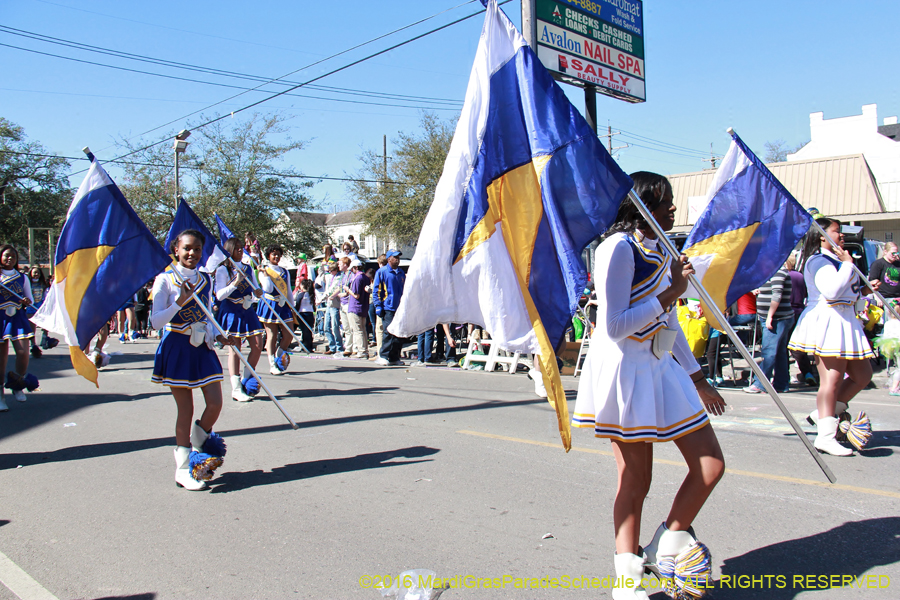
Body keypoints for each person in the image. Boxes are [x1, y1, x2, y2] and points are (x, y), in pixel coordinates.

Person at [571, 172, 725, 599]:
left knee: (710, 465)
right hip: (626, 371)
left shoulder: (662, 248)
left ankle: (665, 544)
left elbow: (671, 322)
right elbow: (615, 325)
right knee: (635, 481)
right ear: (641, 203)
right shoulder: (616, 248)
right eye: (665, 200)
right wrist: (672, 290)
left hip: (662, 368)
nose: (673, 207)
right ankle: (627, 582)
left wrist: (698, 378)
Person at [788, 217, 879, 457]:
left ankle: (823, 414)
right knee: (832, 380)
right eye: (836, 231)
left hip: (846, 321)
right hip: (829, 322)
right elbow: (831, 292)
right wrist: (848, 264)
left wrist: (867, 289)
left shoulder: (835, 260)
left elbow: (846, 294)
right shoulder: (818, 260)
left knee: (863, 375)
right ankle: (826, 436)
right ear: (821, 235)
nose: (841, 236)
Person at [150, 229, 230, 491]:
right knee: (186, 410)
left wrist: (219, 335)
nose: (192, 253)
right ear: (176, 249)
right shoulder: (165, 279)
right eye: (186, 248)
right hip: (177, 345)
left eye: (196, 249)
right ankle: (183, 467)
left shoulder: (205, 280)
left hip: (202, 345)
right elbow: (155, 321)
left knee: (216, 404)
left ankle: (198, 441)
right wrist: (180, 303)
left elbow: (207, 314)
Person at [215, 237, 265, 402]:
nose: (239, 251)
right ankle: (236, 388)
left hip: (247, 308)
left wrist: (258, 292)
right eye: (236, 248)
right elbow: (220, 295)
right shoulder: (223, 270)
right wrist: (235, 283)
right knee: (235, 349)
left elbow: (256, 287)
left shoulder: (247, 268)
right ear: (229, 250)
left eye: (240, 248)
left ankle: (247, 378)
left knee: (258, 344)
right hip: (231, 310)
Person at [744, 261, 794, 394]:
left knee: (769, 352)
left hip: (777, 318)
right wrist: (755, 289)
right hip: (774, 318)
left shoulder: (778, 272)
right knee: (779, 353)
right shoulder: (769, 273)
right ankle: (781, 384)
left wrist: (770, 316)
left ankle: (761, 383)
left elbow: (777, 295)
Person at [0, 246, 38, 411]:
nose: (10, 259)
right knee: (1, 360)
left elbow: (29, 298)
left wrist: (26, 301)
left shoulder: (22, 278)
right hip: (1, 317)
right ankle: (0, 394)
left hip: (17, 317)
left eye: (13, 257)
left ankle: (17, 383)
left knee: (23, 352)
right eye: (7, 256)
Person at [256, 245, 294, 375]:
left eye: (278, 254)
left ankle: (279, 354)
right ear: (268, 256)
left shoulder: (284, 271)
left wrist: (292, 305)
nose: (276, 257)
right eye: (273, 254)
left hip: (283, 304)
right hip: (270, 303)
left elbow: (288, 289)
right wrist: (265, 274)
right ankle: (272, 364)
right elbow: (267, 288)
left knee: (289, 333)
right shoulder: (263, 270)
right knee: (272, 335)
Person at [786, 254, 816, 386]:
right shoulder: (800, 276)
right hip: (799, 311)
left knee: (783, 347)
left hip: (786, 312)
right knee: (798, 346)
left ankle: (784, 375)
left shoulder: (784, 276)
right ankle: (807, 373)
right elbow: (805, 294)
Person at [373, 250, 406, 366]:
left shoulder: (401, 273)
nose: (397, 259)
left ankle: (394, 357)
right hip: (388, 308)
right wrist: (378, 305)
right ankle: (383, 356)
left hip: (399, 308)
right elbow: (376, 290)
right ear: (389, 259)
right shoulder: (382, 272)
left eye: (398, 257)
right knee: (388, 332)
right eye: (395, 257)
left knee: (398, 333)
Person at [345, 259, 370, 359]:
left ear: (355, 267)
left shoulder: (357, 278)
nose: (352, 271)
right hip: (363, 307)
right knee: (363, 330)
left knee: (357, 330)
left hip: (355, 307)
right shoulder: (366, 277)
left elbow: (356, 295)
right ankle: (365, 350)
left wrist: (348, 290)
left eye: (352, 269)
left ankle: (362, 351)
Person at [321, 261, 343, 355]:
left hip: (335, 305)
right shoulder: (330, 277)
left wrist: (332, 295)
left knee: (335, 326)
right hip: (329, 304)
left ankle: (339, 346)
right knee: (326, 327)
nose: (330, 272)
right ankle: (332, 346)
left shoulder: (339, 278)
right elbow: (327, 289)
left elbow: (335, 289)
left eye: (332, 270)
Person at [26, 266, 49, 356]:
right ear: (30, 273)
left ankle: (45, 338)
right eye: (34, 272)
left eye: (38, 273)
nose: (36, 274)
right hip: (31, 307)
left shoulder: (43, 284)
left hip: (40, 306)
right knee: (32, 327)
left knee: (45, 323)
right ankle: (33, 344)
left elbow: (46, 294)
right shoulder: (28, 283)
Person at [295, 278, 315, 353]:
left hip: (303, 314)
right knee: (309, 331)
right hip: (310, 314)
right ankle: (309, 346)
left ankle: (305, 346)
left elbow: (298, 305)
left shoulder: (301, 295)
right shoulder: (311, 295)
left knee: (304, 331)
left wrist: (295, 312)